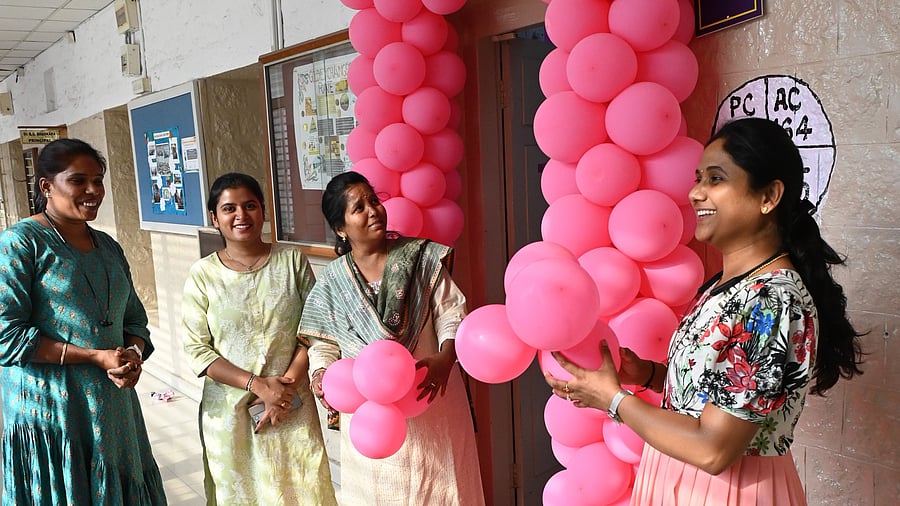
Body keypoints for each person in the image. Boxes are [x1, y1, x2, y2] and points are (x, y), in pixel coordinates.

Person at [545, 117, 864, 505]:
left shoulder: (771, 300)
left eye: (716, 179)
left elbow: (714, 449)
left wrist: (611, 399)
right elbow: (720, 395)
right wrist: (646, 375)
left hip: (728, 491)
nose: (696, 193)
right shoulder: (725, 286)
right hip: (679, 479)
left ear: (769, 196)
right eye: (698, 179)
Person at [299, 171, 485, 505]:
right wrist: (321, 375)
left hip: (432, 396)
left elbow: (452, 311)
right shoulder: (332, 283)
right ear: (341, 228)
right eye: (359, 207)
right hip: (372, 417)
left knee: (443, 488)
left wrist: (446, 358)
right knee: (382, 492)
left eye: (374, 200)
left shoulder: (420, 259)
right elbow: (324, 343)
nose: (373, 210)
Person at [0, 138, 167, 504]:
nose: (93, 190)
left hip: (112, 408)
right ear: (47, 186)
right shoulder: (21, 243)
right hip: (52, 410)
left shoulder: (108, 246)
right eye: (78, 181)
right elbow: (6, 336)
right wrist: (94, 357)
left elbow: (135, 319)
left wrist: (132, 356)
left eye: (98, 179)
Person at [181, 172, 336, 506]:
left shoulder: (292, 261)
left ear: (263, 211)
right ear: (214, 218)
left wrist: (283, 390)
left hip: (291, 407)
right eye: (229, 208)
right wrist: (258, 385)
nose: (241, 215)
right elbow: (197, 350)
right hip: (230, 414)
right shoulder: (203, 275)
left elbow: (314, 328)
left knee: (302, 489)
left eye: (250, 205)